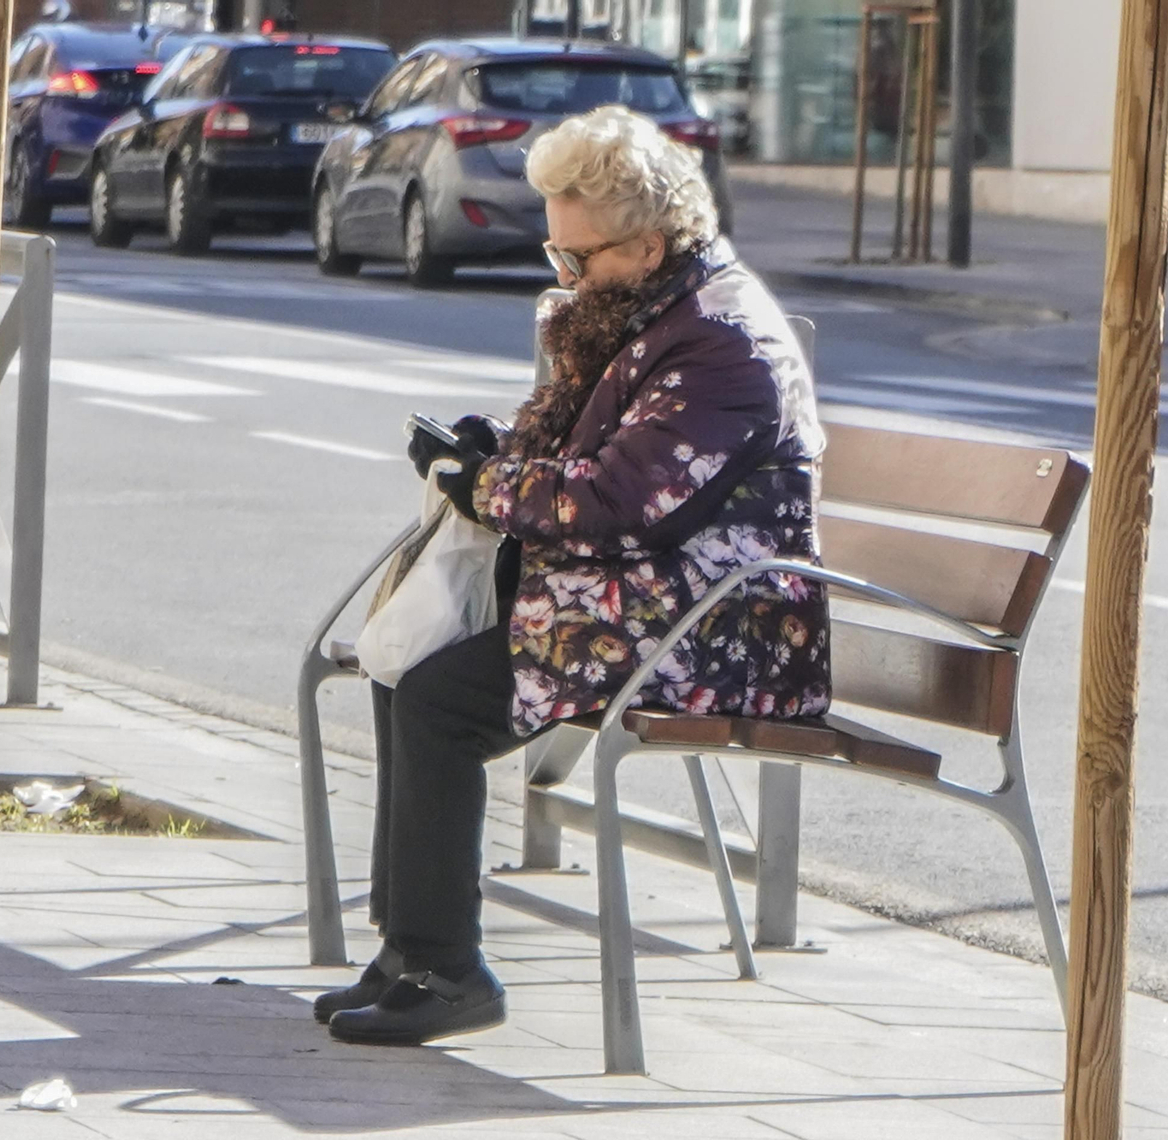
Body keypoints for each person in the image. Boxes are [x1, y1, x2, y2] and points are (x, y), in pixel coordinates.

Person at [316, 105, 831, 1047]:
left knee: (439, 697)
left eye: (581, 259)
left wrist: (489, 487)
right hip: (645, 599)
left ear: (654, 241)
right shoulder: (640, 310)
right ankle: (408, 951)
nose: (566, 276)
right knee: (407, 666)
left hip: (723, 632)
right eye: (558, 256)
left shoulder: (722, 342)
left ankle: (449, 972)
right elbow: (583, 461)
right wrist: (488, 455)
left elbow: (628, 500)